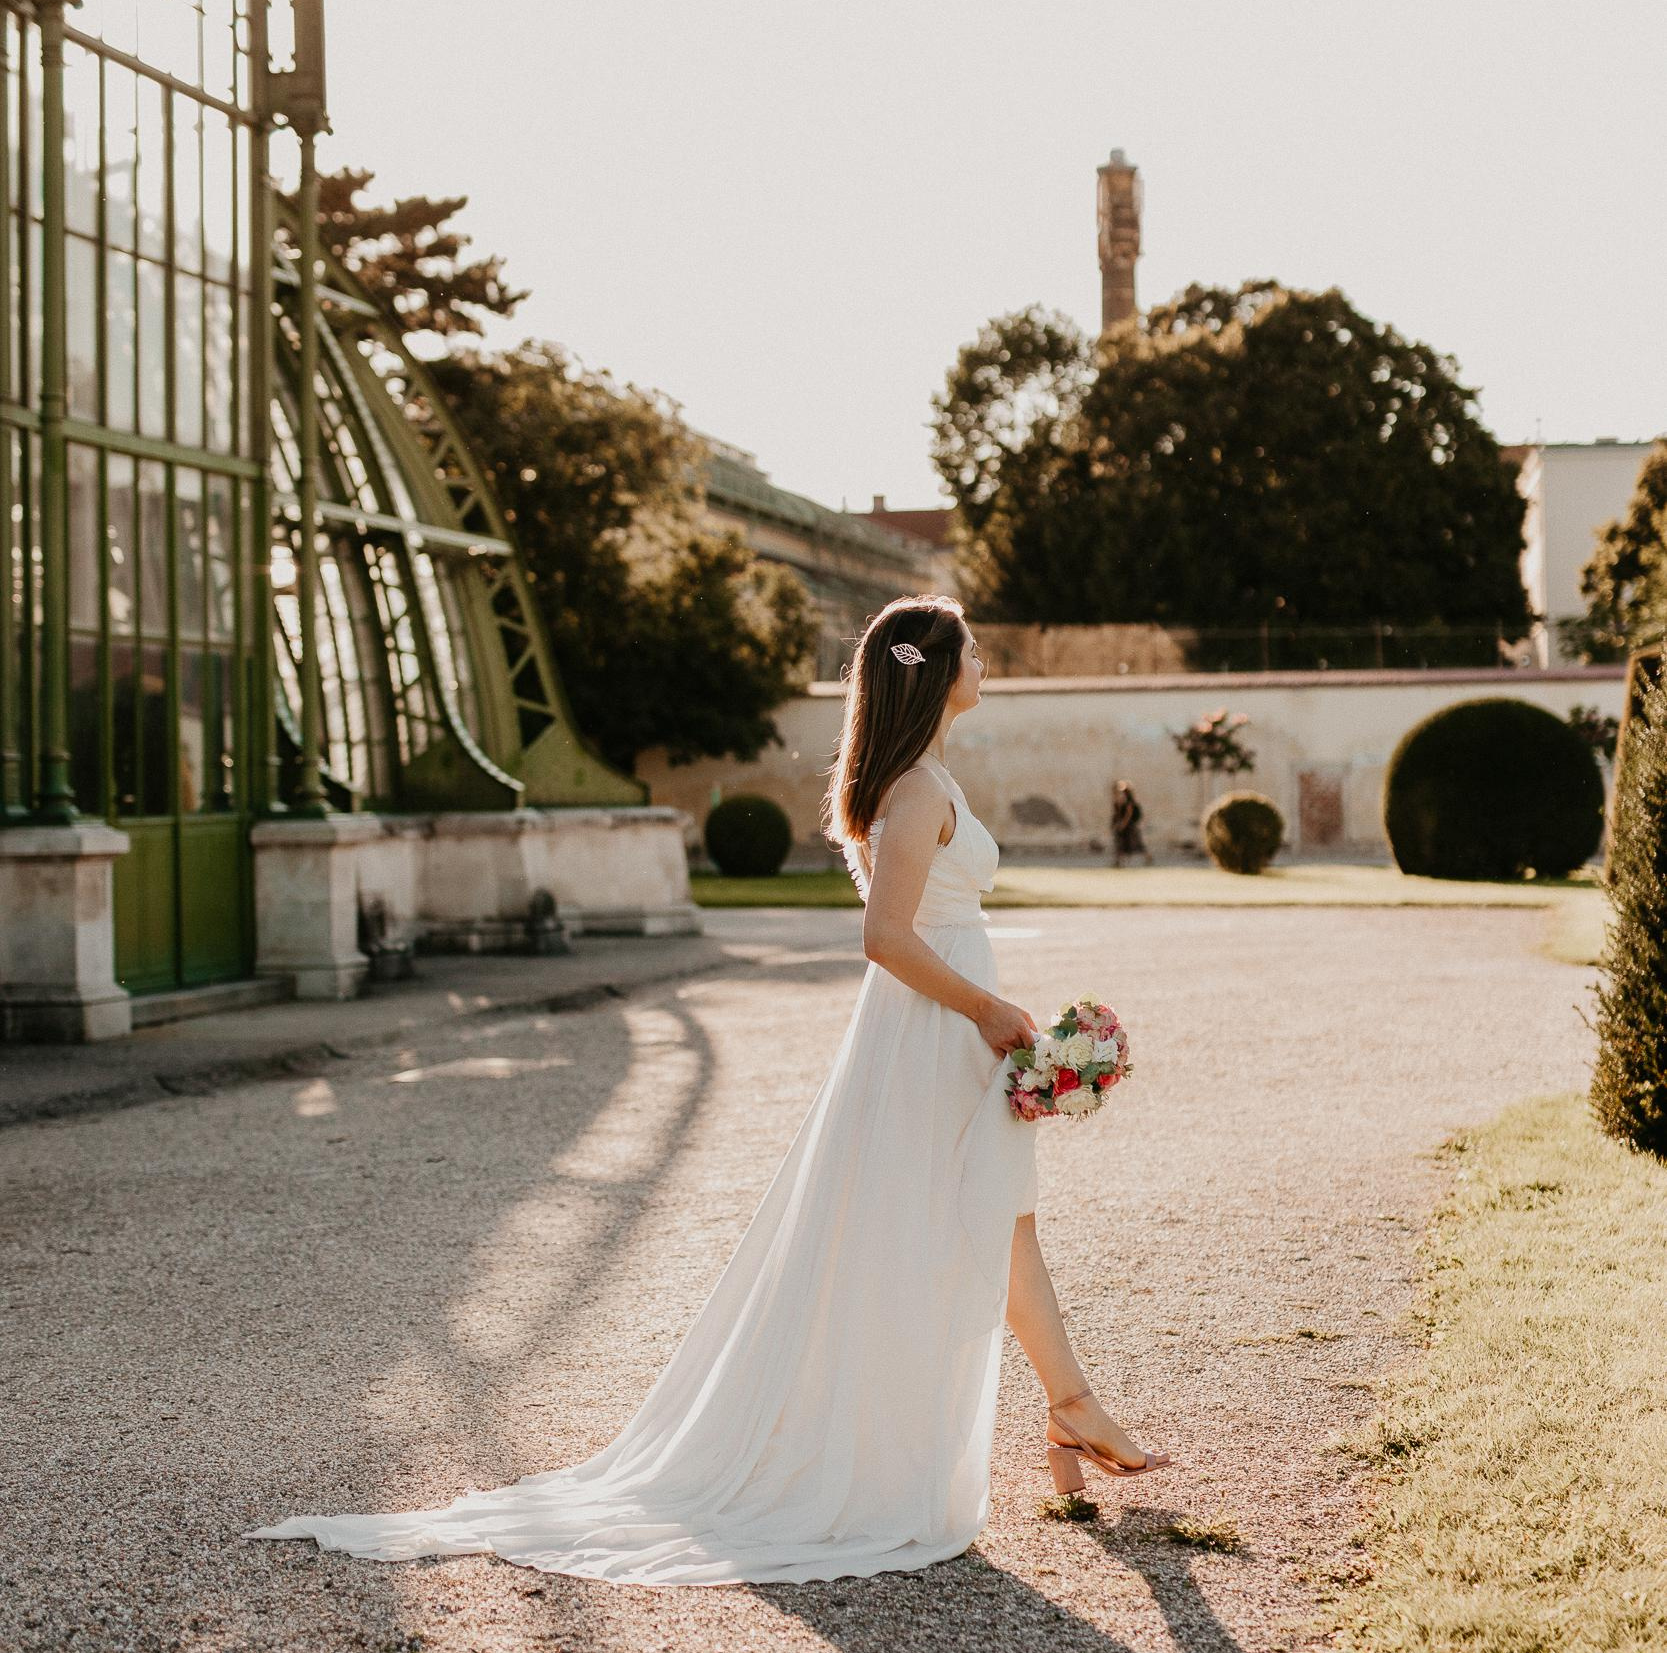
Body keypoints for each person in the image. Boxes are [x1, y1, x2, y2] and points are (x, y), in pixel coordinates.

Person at [251, 594, 1166, 1588]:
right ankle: (1063, 1407)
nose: (983, 661)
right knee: (990, 1219)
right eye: (971, 652)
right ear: (932, 671)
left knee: (1003, 1216)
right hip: (932, 1031)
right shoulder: (910, 790)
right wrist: (987, 1008)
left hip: (944, 1031)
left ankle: (1069, 1410)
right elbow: (885, 938)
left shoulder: (926, 773)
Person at [1111, 779, 1151, 866]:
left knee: (1136, 843)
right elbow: (1118, 813)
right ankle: (1118, 861)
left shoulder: (1129, 801)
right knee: (1121, 843)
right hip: (1123, 825)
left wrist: (1123, 824)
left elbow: (1128, 814)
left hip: (1129, 826)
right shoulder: (1120, 800)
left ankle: (1148, 857)